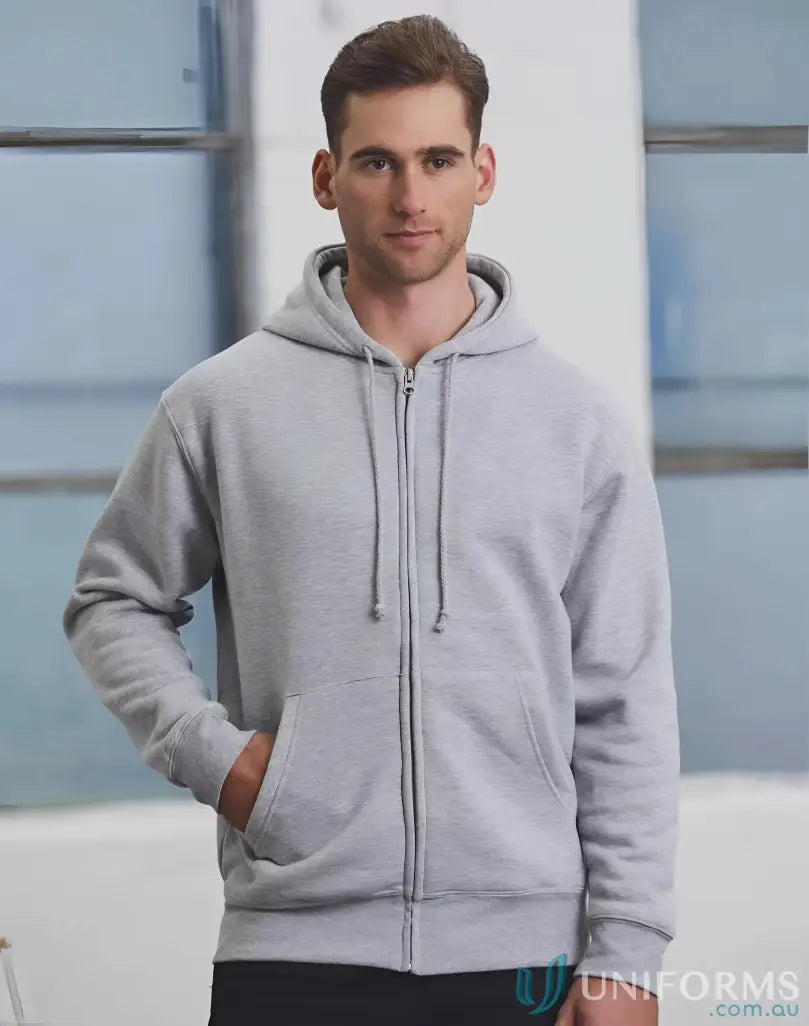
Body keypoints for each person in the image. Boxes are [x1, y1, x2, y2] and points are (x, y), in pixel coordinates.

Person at [62, 13, 680, 1026]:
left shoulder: (576, 424)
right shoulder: (223, 405)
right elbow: (112, 600)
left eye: (437, 160)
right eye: (377, 162)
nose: (409, 197)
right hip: (292, 948)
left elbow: (624, 700)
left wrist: (627, 953)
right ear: (325, 176)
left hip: (524, 953)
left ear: (482, 171)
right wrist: (220, 761)